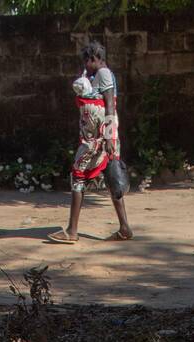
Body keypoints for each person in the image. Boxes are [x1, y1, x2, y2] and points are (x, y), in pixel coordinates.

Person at [48, 41, 133, 244]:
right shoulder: (96, 76)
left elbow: (110, 105)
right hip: (100, 138)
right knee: (112, 177)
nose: (85, 64)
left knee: (79, 175)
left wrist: (110, 137)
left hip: (98, 140)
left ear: (94, 58)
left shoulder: (103, 74)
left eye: (87, 60)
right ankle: (124, 228)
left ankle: (72, 231)